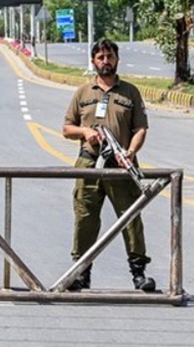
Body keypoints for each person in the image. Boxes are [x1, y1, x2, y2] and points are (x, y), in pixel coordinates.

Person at [61, 38, 154, 292]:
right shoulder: (83, 93)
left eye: (110, 56)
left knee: (130, 217)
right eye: (101, 57)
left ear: (117, 59)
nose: (106, 61)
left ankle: (139, 273)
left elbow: (141, 128)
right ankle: (81, 272)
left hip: (121, 165)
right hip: (90, 163)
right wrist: (84, 132)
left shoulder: (130, 92)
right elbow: (66, 128)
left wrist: (131, 152)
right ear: (93, 61)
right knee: (85, 218)